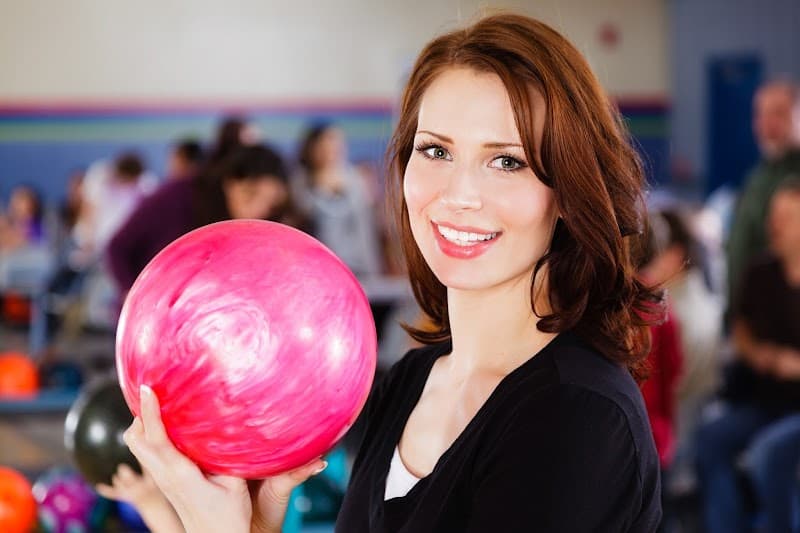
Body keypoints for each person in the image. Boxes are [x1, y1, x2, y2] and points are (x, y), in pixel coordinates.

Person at [121, 13, 662, 532]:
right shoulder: (410, 380)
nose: (459, 195)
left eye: (507, 161)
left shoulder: (580, 419)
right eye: (435, 151)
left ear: (567, 192)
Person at [696, 179, 800, 533]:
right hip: (764, 400)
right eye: (774, 216)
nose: (773, 225)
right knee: (710, 438)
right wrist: (760, 355)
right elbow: (741, 330)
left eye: (786, 217)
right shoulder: (761, 271)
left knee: (768, 453)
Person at [107, 144, 293, 293]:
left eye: (269, 203)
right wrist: (131, 295)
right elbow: (118, 246)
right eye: (249, 194)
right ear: (229, 181)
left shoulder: (263, 227)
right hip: (155, 314)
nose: (256, 210)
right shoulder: (178, 195)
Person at [726, 81, 800, 317]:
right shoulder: (759, 174)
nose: (767, 123)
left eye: (778, 113)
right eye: (761, 113)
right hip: (746, 311)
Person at [294, 123, 382, 276]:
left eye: (337, 143)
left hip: (360, 265)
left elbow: (366, 227)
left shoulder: (356, 180)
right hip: (318, 267)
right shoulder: (300, 183)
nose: (331, 149)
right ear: (312, 148)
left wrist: (373, 267)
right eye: (325, 143)